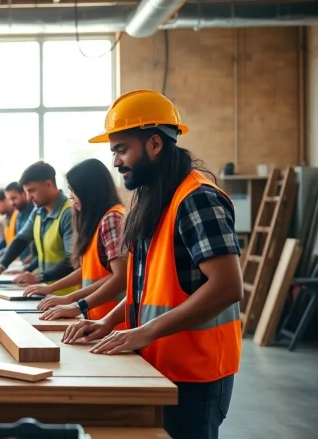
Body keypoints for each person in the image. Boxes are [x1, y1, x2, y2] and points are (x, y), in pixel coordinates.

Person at [63, 89, 242, 439]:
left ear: (155, 145)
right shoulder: (151, 198)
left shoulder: (197, 199)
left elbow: (226, 287)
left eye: (121, 149)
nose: (115, 161)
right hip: (157, 361)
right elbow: (145, 288)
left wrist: (142, 332)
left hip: (197, 373)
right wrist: (111, 323)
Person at [23, 159, 127, 330]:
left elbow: (121, 276)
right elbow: (88, 271)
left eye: (74, 191)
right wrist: (52, 289)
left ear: (89, 191)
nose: (71, 197)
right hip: (96, 319)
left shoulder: (112, 218)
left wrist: (74, 302)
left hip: (113, 325)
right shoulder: (99, 220)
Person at [0, 161, 78, 295]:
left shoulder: (68, 213)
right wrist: (0, 267)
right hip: (45, 291)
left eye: (32, 191)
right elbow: (20, 240)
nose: (29, 197)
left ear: (48, 184)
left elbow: (72, 259)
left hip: (68, 293)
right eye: (26, 192)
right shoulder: (38, 211)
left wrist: (40, 277)